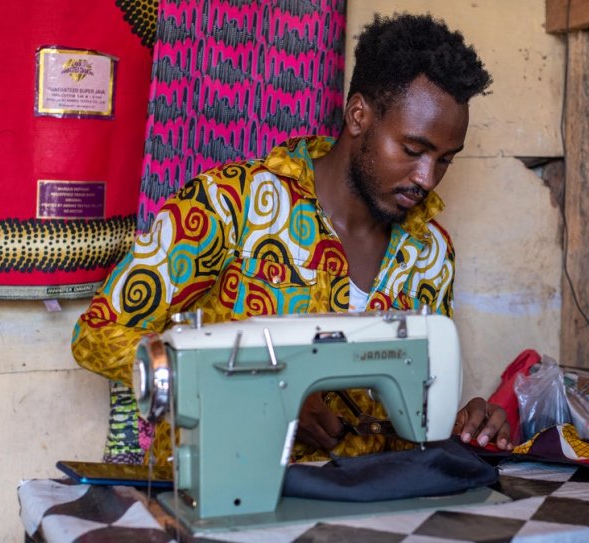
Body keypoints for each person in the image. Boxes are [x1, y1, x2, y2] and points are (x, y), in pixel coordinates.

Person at [72, 12, 512, 465]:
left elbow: (416, 406)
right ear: (359, 115)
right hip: (227, 489)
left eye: (445, 161)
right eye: (414, 150)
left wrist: (463, 425)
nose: (427, 178)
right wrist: (254, 386)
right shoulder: (229, 206)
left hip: (366, 513)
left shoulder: (431, 252)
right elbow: (99, 335)